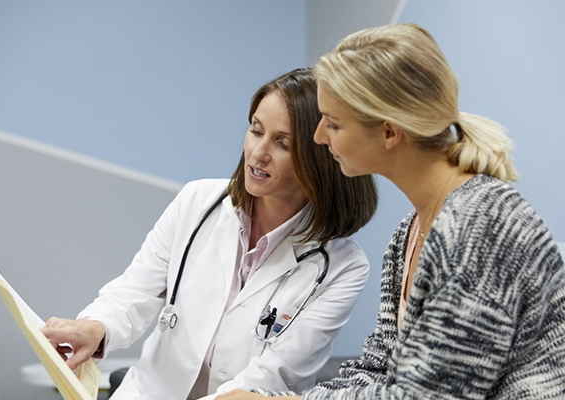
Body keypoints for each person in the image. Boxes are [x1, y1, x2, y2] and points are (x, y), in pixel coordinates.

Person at [216, 23, 565, 400]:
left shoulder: (480, 227)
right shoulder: (409, 234)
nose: (318, 137)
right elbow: (379, 368)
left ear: (388, 133)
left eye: (333, 123)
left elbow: (432, 396)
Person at [41, 68, 378, 400]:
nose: (258, 152)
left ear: (321, 156)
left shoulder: (342, 266)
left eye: (282, 143)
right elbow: (133, 292)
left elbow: (273, 375)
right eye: (256, 130)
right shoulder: (197, 202)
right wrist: (93, 327)